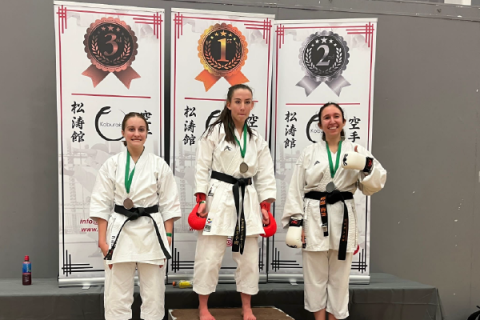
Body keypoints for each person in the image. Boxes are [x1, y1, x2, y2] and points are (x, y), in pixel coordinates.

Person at [282, 102, 386, 320]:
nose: (332, 121)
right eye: (327, 117)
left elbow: (374, 185)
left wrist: (365, 165)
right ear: (320, 124)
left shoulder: (356, 150)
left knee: (339, 278)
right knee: (314, 276)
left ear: (344, 122)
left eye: (336, 116)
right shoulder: (309, 152)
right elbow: (295, 188)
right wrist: (295, 222)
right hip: (313, 216)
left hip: (342, 215)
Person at [192, 84, 276, 320]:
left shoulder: (256, 138)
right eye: (237, 101)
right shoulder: (214, 132)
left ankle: (247, 307)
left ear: (252, 105)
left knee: (248, 257)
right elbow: (201, 166)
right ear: (228, 104)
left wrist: (265, 205)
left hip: (247, 196)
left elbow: (266, 173)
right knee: (209, 256)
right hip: (218, 194)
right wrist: (201, 199)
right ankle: (203, 307)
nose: (242, 106)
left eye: (247, 101)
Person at [90, 112, 181, 320]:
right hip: (120, 232)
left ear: (147, 133)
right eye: (131, 129)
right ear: (123, 133)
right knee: (117, 295)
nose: (136, 134)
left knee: (154, 294)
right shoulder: (111, 165)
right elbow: (101, 203)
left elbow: (169, 203)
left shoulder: (159, 165)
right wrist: (102, 241)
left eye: (141, 129)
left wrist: (167, 237)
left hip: (152, 232)